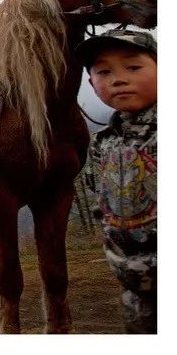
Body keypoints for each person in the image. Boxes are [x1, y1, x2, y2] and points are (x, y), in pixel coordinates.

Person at [75, 29, 157, 334]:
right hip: (133, 291)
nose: (118, 79)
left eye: (133, 67)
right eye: (104, 72)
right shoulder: (101, 144)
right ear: (90, 83)